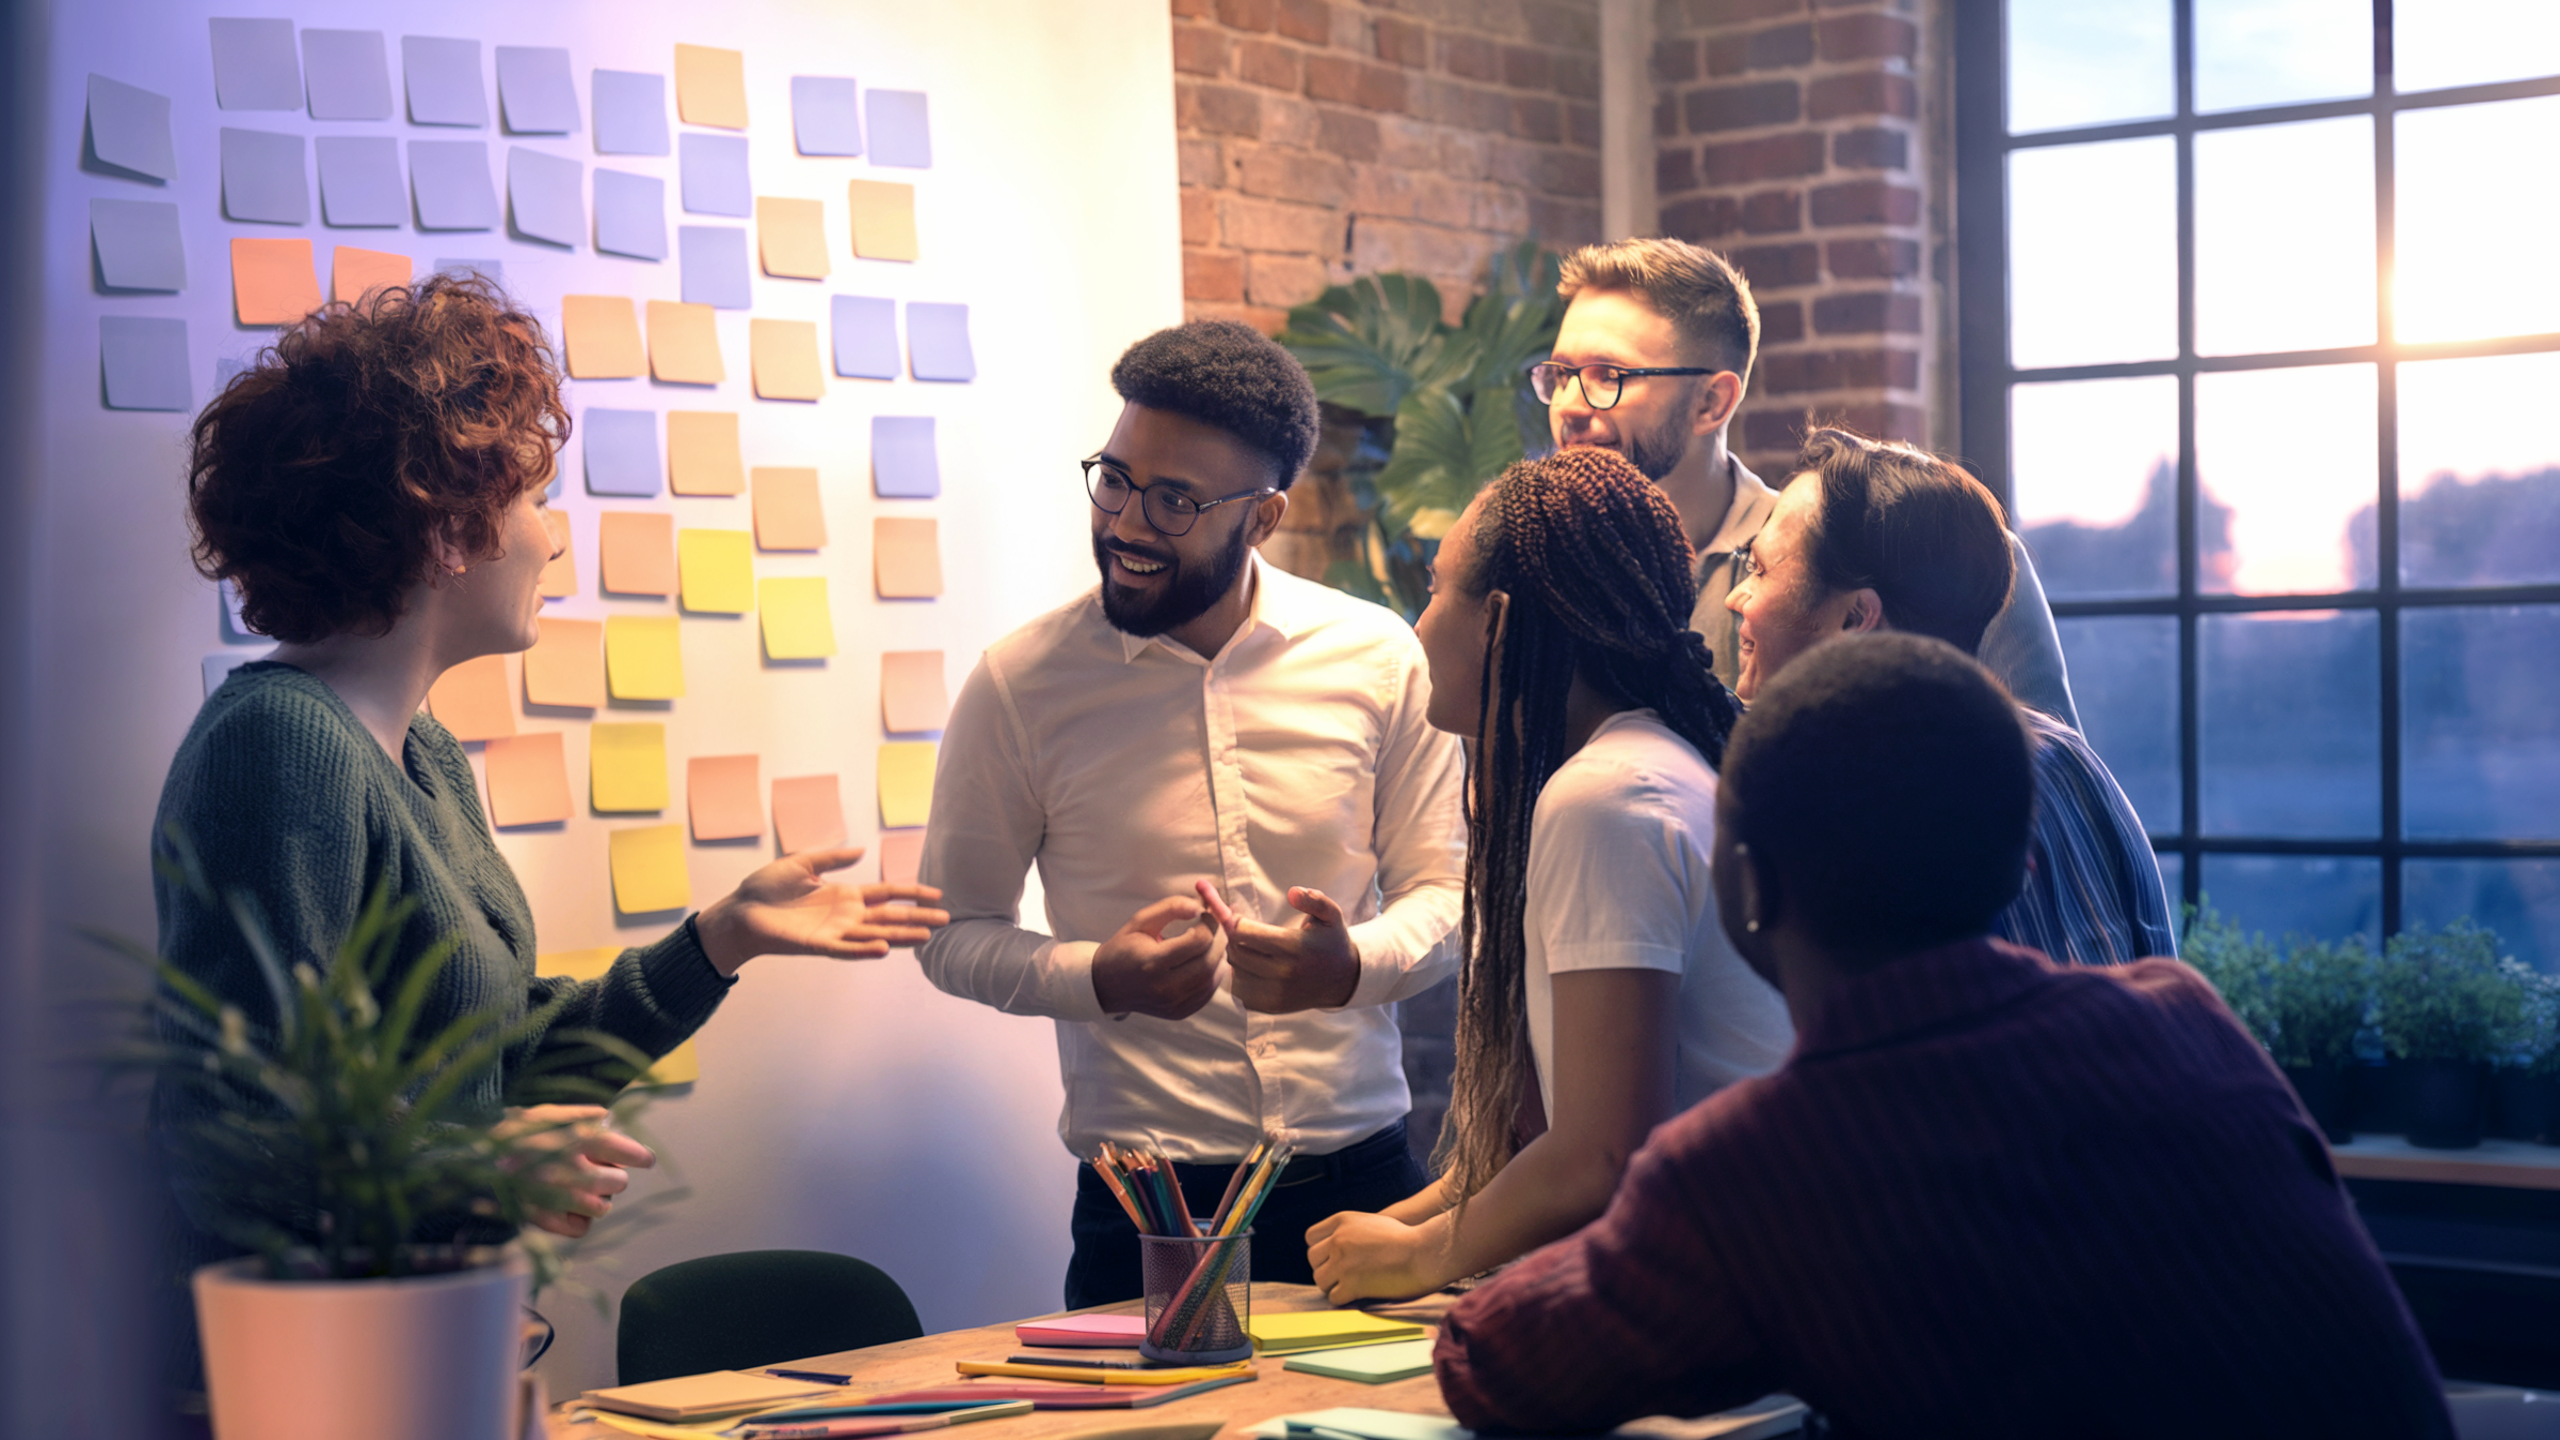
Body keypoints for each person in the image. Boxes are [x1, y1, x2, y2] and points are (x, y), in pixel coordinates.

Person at [1433, 633, 2454, 1439]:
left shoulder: (1757, 1170)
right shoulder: (2182, 1018)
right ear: (2023, 868)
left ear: (1747, 886)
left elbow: (1492, 1364)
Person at [157, 276, 948, 1277]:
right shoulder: (279, 743)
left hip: (437, 1320)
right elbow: (233, 1134)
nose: (553, 535)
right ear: (445, 530)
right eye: (534, 499)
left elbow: (505, 1065)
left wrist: (720, 939)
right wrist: (477, 1166)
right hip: (327, 1345)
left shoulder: (423, 754)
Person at [915, 320, 1467, 1308]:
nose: (1127, 524)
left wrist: (1350, 966)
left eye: (1175, 501)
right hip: (1144, 1213)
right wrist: (1097, 977)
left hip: (1364, 1188)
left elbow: (1450, 895)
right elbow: (950, 933)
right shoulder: (1021, 685)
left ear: (1263, 517)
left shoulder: (1378, 657)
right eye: (1115, 480)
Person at [1303, 447, 1791, 1304]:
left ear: (1497, 621)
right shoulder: (1647, 763)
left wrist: (1417, 1258)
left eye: (1434, 590)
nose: (1417, 626)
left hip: (1723, 1304)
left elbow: (1604, 1155)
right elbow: (1548, 1145)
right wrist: (1391, 1235)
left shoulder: (1607, 799)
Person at [1534, 236, 2081, 726]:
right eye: (1561, 375)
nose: (1568, 407)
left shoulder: (1928, 565)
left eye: (1609, 375)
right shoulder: (1533, 576)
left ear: (1712, 402)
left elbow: (2044, 784)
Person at [1725, 427, 2174, 966]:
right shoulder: (2056, 760)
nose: (1735, 598)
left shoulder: (1941, 802)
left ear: (1854, 617)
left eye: (1760, 570)